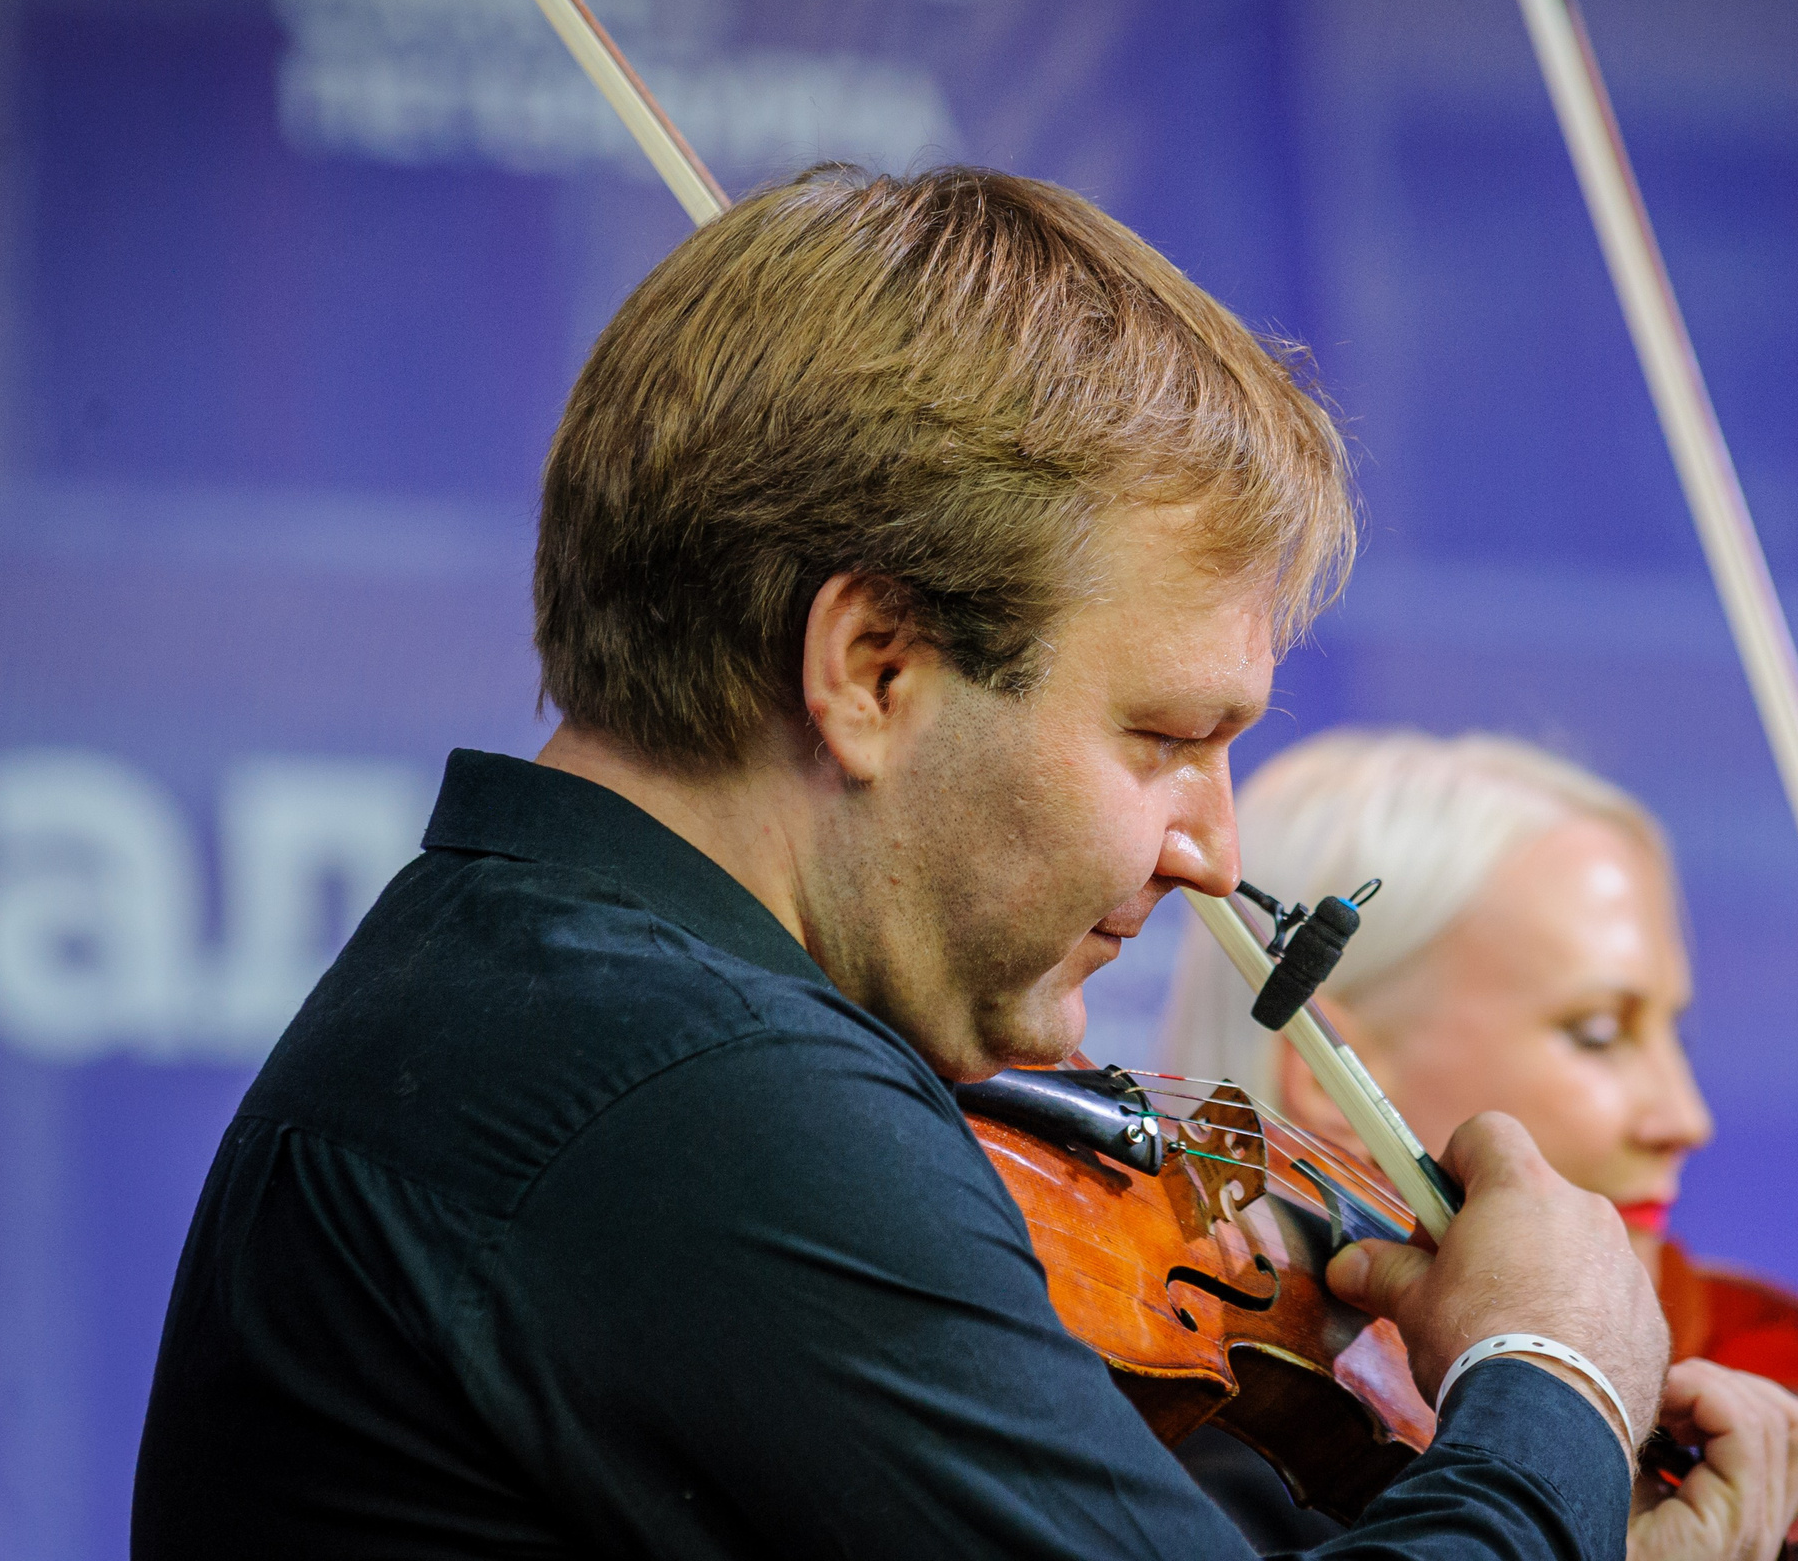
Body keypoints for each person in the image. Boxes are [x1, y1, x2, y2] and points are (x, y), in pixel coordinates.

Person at [131, 167, 1674, 1559]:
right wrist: (1554, 1384)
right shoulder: (697, 1097)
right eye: (1163, 737)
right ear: (872, 669)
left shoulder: (536, 1006)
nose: (1214, 853)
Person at [1159, 729, 1798, 1561]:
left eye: (1673, 1033)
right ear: (1328, 1068)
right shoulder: (1213, 1460)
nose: (1684, 1116)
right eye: (1597, 1032)